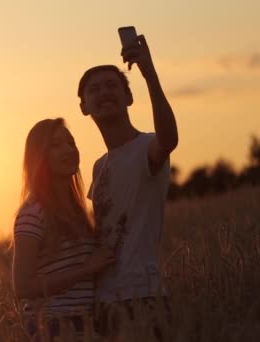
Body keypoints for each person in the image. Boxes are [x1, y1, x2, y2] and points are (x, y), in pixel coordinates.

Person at [78, 34, 178, 338]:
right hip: (103, 300)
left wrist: (149, 73)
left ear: (129, 98)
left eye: (112, 86)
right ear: (83, 107)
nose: (104, 92)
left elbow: (169, 139)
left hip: (143, 295)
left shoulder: (147, 146)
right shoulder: (99, 166)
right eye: (94, 89)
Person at [12, 118, 116, 340]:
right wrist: (86, 269)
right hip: (53, 328)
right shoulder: (32, 214)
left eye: (71, 142)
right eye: (56, 145)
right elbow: (22, 286)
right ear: (40, 157)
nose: (68, 149)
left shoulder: (79, 213)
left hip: (87, 325)